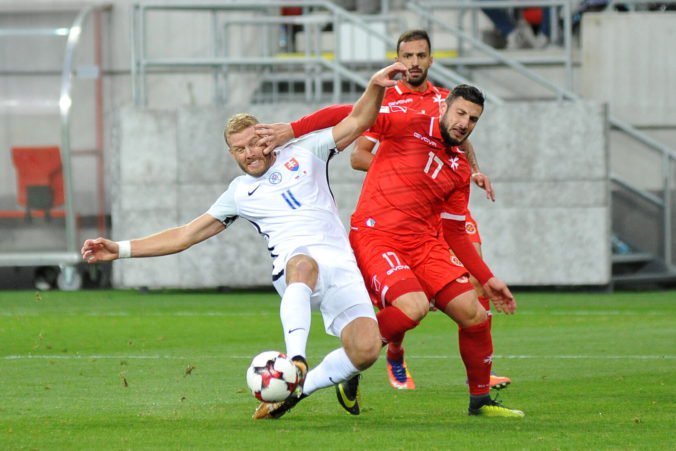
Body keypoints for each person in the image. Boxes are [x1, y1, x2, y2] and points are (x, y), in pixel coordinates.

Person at [81, 62, 408, 420]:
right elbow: (185, 235)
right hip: (295, 270)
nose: (250, 153)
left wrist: (375, 86)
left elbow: (359, 120)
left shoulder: (307, 151)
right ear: (232, 154)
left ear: (267, 136)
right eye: (240, 149)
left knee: (364, 352)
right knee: (303, 263)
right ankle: (295, 360)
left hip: (341, 266)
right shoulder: (239, 193)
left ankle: (296, 391)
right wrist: (121, 249)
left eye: (255, 142)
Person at [259, 85, 524, 417]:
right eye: (460, 113)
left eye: (473, 119)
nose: (465, 123)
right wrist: (293, 129)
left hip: (424, 244)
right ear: (444, 107)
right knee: (413, 306)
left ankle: (480, 402)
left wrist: (487, 277)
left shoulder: (458, 167)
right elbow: (350, 113)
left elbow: (455, 231)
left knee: (474, 313)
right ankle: (346, 363)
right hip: (377, 236)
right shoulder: (408, 122)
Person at [350, 29, 511, 392]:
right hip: (404, 212)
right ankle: (391, 348)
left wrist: (475, 171)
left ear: (431, 59)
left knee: (475, 278)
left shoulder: (446, 99)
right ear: (398, 59)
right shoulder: (390, 102)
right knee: (412, 300)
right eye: (408, 56)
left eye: (421, 56)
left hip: (446, 204)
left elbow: (462, 143)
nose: (415, 63)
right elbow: (358, 155)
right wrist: (408, 170)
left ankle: (483, 374)